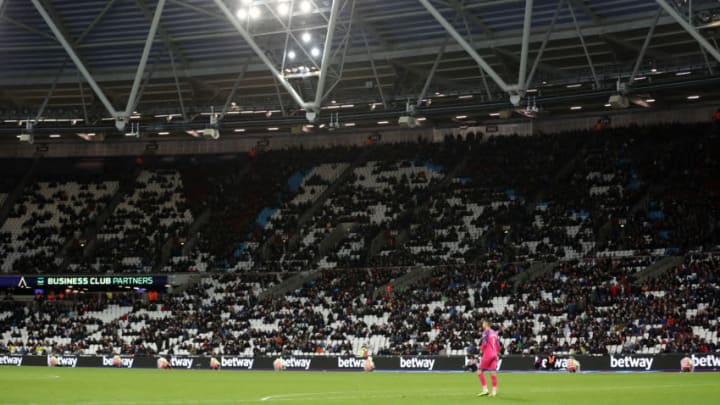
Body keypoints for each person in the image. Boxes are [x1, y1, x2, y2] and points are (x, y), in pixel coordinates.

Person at [477, 320, 500, 397]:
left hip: (488, 353)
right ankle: (494, 392)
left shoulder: (486, 332)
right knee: (493, 372)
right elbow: (498, 345)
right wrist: (496, 353)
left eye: (483, 323)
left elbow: (484, 343)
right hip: (495, 354)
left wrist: (481, 351)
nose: (482, 324)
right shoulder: (495, 333)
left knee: (479, 372)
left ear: (486, 324)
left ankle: (485, 390)